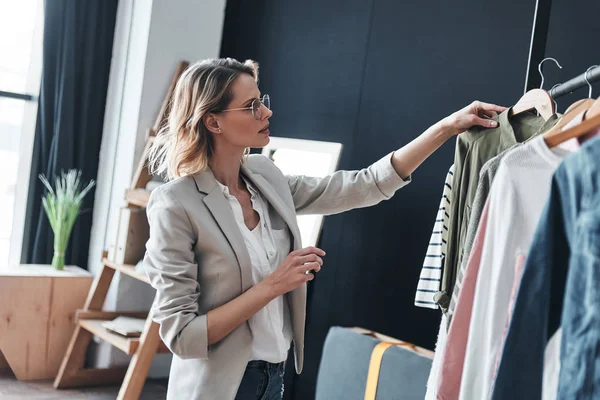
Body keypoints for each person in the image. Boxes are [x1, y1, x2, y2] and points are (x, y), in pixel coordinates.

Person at [143, 57, 505, 400]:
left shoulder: (264, 176)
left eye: (262, 100)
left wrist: (446, 128)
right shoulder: (175, 204)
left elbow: (361, 185)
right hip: (219, 387)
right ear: (213, 122)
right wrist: (274, 285)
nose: (267, 112)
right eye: (251, 106)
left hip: (275, 374)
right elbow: (182, 336)